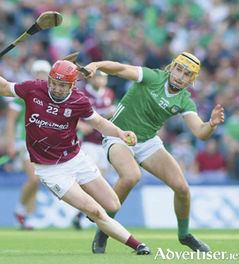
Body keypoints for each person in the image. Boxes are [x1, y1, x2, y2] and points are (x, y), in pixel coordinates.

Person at [0, 57, 151, 255]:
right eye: (55, 83)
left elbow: (100, 123)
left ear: (73, 84)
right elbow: (3, 87)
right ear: (49, 80)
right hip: (50, 169)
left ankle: (100, 221)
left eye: (63, 85)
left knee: (112, 204)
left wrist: (120, 133)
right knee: (94, 210)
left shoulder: (79, 100)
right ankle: (138, 245)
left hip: (76, 159)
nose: (58, 89)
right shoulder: (33, 88)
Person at [83, 52, 225, 253]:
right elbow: (119, 68)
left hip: (148, 142)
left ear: (191, 80)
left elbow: (200, 133)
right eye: (178, 70)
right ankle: (104, 229)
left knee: (182, 188)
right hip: (119, 135)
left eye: (186, 74)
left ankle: (184, 235)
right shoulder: (152, 77)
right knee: (131, 176)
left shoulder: (184, 100)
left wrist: (211, 124)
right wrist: (96, 65)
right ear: (171, 67)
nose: (180, 76)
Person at [7, 60, 51, 229]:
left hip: (40, 142)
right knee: (33, 178)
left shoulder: (49, 95)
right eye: (38, 72)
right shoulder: (24, 92)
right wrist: (11, 143)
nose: (40, 75)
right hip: (24, 140)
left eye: (43, 73)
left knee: (36, 180)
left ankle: (27, 217)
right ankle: (20, 210)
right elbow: (11, 120)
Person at [72, 71, 116, 230]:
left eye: (104, 77)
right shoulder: (81, 92)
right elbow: (71, 112)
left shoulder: (109, 94)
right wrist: (79, 125)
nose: (101, 80)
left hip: (103, 141)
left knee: (100, 181)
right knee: (94, 179)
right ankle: (89, 213)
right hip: (88, 142)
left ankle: (81, 215)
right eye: (98, 77)